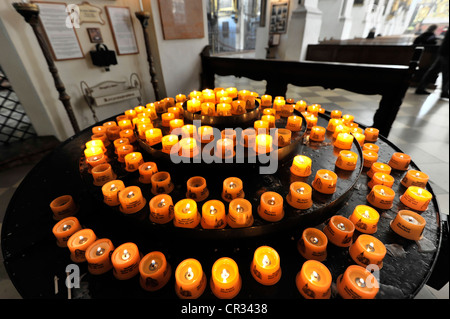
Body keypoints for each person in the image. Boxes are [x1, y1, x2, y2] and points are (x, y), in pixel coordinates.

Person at [415, 29, 449, 98]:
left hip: (443, 51)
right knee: (447, 73)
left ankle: (421, 88)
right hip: (447, 53)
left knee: (433, 71)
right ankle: (444, 92)